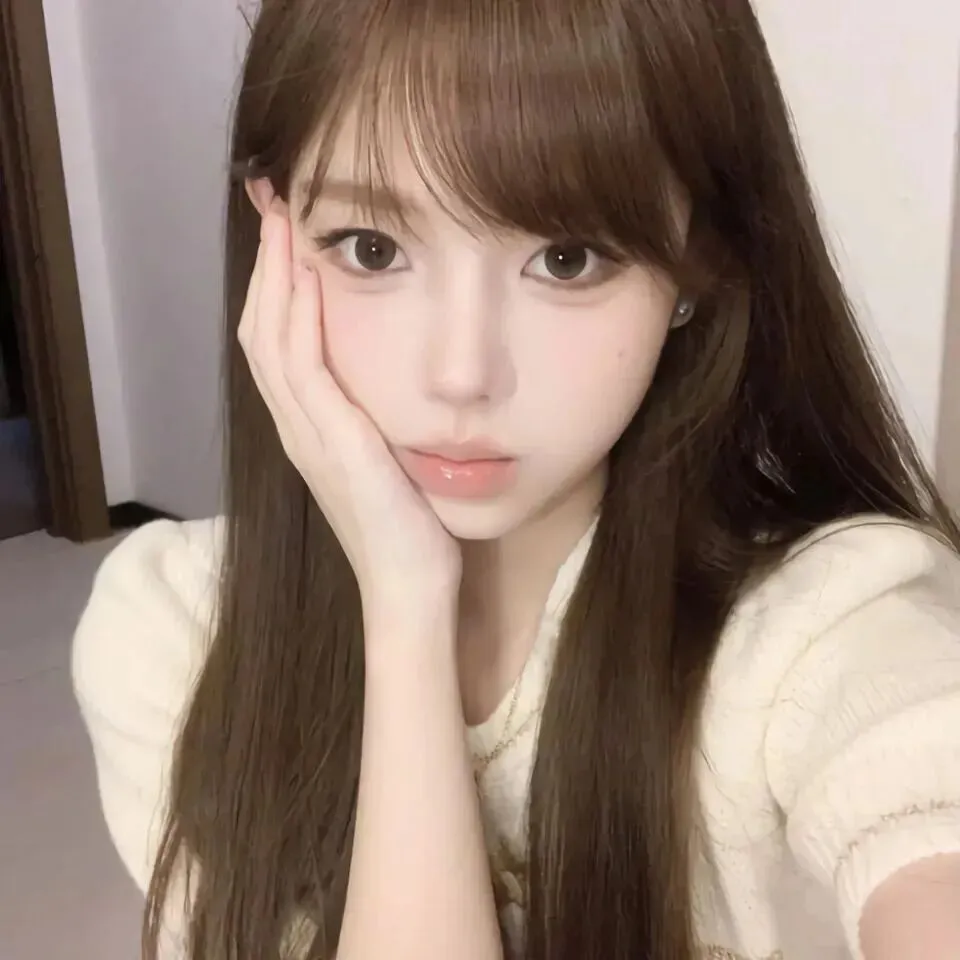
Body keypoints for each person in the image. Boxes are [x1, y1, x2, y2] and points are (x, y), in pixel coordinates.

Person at [72, 1, 960, 958]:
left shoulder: (812, 635)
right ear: (274, 236)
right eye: (372, 248)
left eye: (566, 259)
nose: (462, 374)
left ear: (698, 267)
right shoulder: (174, 631)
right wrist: (405, 604)